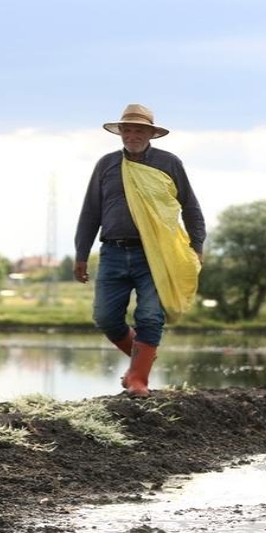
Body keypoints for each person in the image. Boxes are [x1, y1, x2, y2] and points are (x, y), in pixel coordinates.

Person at [74, 103, 206, 398]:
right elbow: (90, 212)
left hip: (156, 253)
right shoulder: (106, 165)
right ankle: (142, 356)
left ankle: (138, 379)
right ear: (120, 132)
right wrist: (81, 254)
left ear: (150, 134)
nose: (133, 135)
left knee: (149, 315)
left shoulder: (169, 163)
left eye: (139, 130)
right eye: (128, 129)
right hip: (112, 252)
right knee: (105, 317)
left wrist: (197, 245)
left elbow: (190, 207)